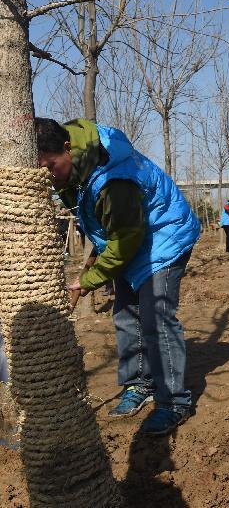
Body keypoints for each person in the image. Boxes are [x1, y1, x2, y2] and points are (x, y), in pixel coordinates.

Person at [35, 117, 199, 435]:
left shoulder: (114, 179)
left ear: (68, 148)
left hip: (164, 239)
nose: (50, 179)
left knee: (156, 319)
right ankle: (138, 385)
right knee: (126, 314)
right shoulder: (79, 165)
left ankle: (174, 402)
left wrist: (87, 280)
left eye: (51, 168)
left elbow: (126, 240)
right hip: (132, 241)